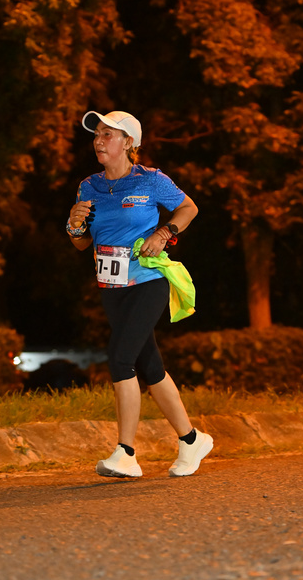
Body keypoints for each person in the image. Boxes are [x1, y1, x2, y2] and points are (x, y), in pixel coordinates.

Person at [66, 109, 213, 479]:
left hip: (148, 281)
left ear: (128, 142)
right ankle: (192, 439)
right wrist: (73, 225)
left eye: (107, 134)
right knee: (150, 367)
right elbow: (82, 243)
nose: (98, 141)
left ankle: (126, 453)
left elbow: (189, 207)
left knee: (120, 359)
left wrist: (164, 233)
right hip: (111, 287)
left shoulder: (150, 180)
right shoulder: (89, 186)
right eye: (96, 135)